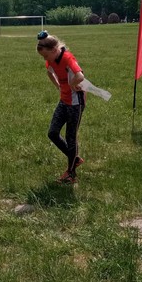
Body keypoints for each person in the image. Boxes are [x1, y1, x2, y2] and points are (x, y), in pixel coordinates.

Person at [36, 30, 85, 184]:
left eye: (46, 56)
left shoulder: (67, 58)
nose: (45, 60)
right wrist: (58, 85)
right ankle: (75, 159)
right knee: (52, 133)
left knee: (71, 137)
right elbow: (49, 72)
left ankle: (71, 174)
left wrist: (71, 84)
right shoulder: (51, 60)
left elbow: (80, 76)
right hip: (63, 101)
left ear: (54, 50)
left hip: (75, 103)